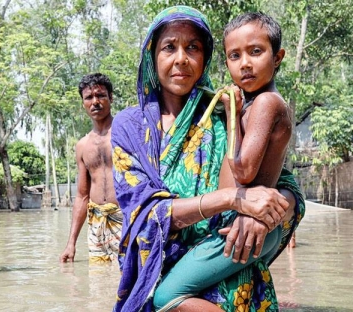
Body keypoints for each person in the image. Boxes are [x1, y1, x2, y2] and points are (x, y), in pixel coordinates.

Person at [110, 6, 305, 312]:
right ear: (152, 55)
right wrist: (234, 200)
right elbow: (144, 211)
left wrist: (263, 214)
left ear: (206, 58)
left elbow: (281, 182)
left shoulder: (224, 111)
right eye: (169, 47)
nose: (181, 59)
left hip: (228, 255)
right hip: (164, 270)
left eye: (193, 48)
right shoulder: (130, 129)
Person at [60, 73, 123, 263]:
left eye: (101, 95)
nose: (95, 102)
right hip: (96, 222)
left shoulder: (125, 134)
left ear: (110, 98)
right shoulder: (82, 145)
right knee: (98, 280)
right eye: (89, 97)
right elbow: (82, 196)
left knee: (127, 280)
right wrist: (71, 243)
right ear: (83, 103)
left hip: (125, 217)